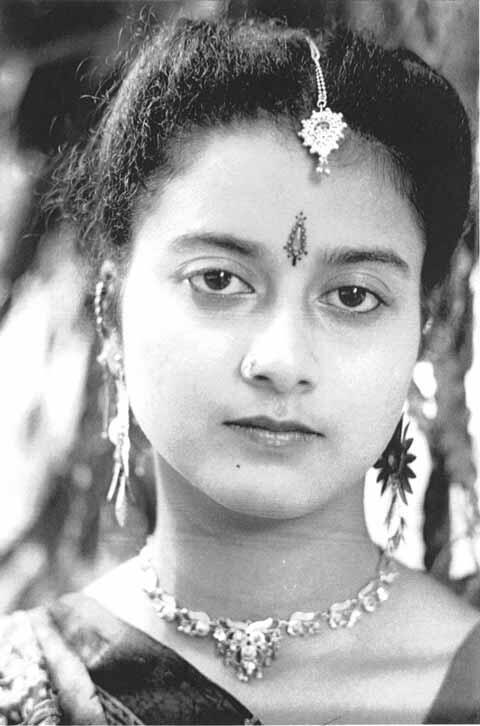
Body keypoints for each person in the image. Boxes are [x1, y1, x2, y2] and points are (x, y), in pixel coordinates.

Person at [0, 14, 478, 726]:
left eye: (353, 296)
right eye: (218, 280)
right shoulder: (23, 687)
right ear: (109, 311)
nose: (281, 361)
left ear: (423, 329)